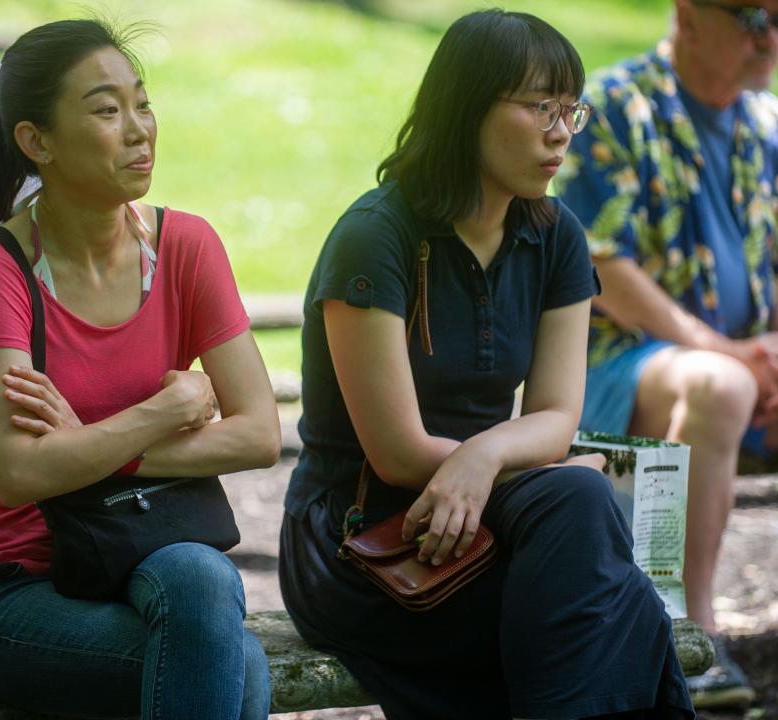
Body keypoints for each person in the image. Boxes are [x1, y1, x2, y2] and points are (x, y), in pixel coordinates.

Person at [278, 9, 695, 720]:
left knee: (587, 540)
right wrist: (508, 463)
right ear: (467, 107)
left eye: (572, 110)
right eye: (541, 107)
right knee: (604, 566)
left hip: (488, 521)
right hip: (366, 542)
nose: (561, 132)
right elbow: (399, 452)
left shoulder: (556, 235)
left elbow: (555, 421)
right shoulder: (374, 238)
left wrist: (486, 456)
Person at [0, 18, 281, 720]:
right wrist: (164, 412)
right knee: (233, 664)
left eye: (142, 103)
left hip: (135, 547)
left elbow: (259, 435)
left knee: (202, 576)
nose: (138, 128)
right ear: (38, 142)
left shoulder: (188, 246)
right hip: (6, 584)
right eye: (105, 110)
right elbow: (20, 473)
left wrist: (86, 447)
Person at [555, 0, 778, 708]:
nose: (770, 38)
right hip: (618, 366)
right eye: (752, 16)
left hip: (746, 366)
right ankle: (689, 640)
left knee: (729, 383)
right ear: (688, 14)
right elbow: (601, 265)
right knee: (717, 386)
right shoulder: (615, 108)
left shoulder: (767, 123)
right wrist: (730, 354)